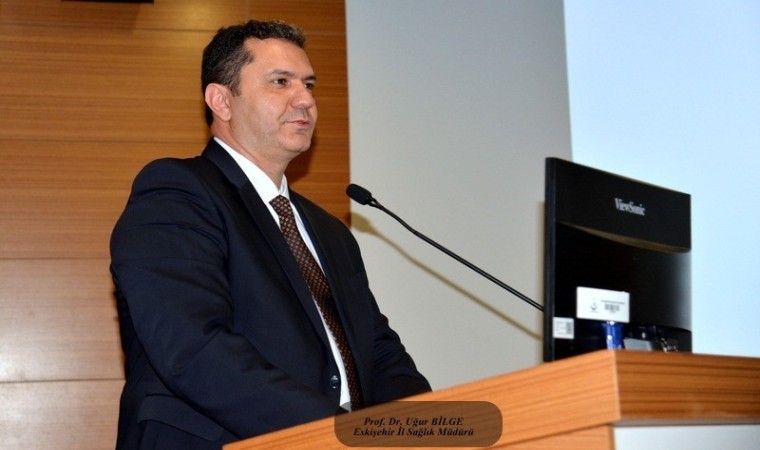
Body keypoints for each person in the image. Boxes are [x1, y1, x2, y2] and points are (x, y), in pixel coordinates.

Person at [110, 19, 430, 450]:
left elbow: (379, 352)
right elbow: (193, 348)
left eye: (309, 85)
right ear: (221, 100)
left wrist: (421, 429)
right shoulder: (177, 193)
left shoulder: (329, 231)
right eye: (281, 82)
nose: (305, 100)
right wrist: (336, 433)